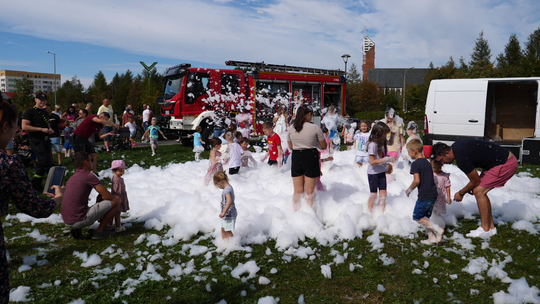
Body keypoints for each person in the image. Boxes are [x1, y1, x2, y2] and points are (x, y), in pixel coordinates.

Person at [0, 98, 64, 303]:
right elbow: (36, 208)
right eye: (15, 128)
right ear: (4, 128)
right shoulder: (8, 163)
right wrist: (57, 199)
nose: (16, 133)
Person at [431, 139, 518, 238]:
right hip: (502, 159)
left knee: (479, 191)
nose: (442, 163)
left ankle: (485, 229)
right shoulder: (456, 146)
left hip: (505, 164)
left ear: (447, 153)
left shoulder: (461, 158)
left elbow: (475, 181)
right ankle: (491, 228)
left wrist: (461, 193)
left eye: (441, 160)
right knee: (479, 190)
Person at [61, 152, 121, 240]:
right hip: (80, 219)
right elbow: (108, 197)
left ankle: (76, 228)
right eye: (91, 160)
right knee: (117, 199)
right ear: (86, 162)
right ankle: (100, 232)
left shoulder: (72, 177)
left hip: (67, 219)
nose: (93, 162)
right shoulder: (88, 176)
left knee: (100, 197)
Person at [287, 105, 327, 210]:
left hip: (296, 157)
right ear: (309, 114)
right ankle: (310, 216)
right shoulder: (314, 128)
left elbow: (291, 147)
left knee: (297, 191)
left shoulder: (292, 128)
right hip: (310, 156)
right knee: (310, 192)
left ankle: (295, 213)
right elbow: (323, 146)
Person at [405, 139, 443, 245]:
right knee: (426, 218)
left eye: (409, 151)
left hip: (424, 196)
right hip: (433, 194)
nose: (408, 154)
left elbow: (417, 180)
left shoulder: (415, 164)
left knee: (417, 216)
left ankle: (437, 230)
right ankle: (431, 238)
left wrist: (409, 190)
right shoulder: (427, 162)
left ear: (415, 151)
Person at [21, 93, 54, 191]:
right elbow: (24, 126)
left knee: (41, 165)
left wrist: (49, 129)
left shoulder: (44, 112)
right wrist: (41, 129)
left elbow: (47, 123)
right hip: (36, 141)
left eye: (44, 100)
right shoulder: (29, 112)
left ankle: (35, 184)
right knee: (47, 163)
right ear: (35, 100)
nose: (42, 102)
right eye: (40, 100)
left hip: (45, 140)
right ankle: (55, 184)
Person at [367, 122, 396, 213]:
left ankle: (381, 213)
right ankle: (369, 212)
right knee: (374, 195)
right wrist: (386, 159)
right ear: (379, 133)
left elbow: (390, 143)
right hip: (373, 173)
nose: (385, 136)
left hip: (381, 172)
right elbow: (372, 162)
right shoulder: (373, 145)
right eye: (384, 134)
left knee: (384, 195)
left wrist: (392, 135)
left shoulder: (381, 142)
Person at [214, 171, 237, 241]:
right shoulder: (229, 188)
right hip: (226, 214)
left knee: (227, 230)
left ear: (219, 182)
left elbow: (229, 201)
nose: (218, 187)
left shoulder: (227, 190)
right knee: (223, 229)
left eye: (217, 185)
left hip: (229, 214)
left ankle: (233, 244)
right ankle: (224, 243)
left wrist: (224, 212)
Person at [431, 159, 451, 230]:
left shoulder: (444, 176)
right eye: (434, 167)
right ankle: (433, 223)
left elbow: (448, 186)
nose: (436, 169)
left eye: (438, 167)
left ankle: (439, 224)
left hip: (441, 197)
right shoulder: (430, 174)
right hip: (432, 195)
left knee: (438, 210)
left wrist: (448, 197)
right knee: (432, 209)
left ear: (441, 166)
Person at [110, 160, 129, 233]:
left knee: (114, 212)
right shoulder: (117, 180)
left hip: (118, 197)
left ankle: (110, 224)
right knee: (117, 213)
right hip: (118, 198)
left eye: (123, 170)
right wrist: (119, 198)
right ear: (114, 171)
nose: (122, 172)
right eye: (120, 171)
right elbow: (117, 190)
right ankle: (118, 227)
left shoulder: (116, 178)